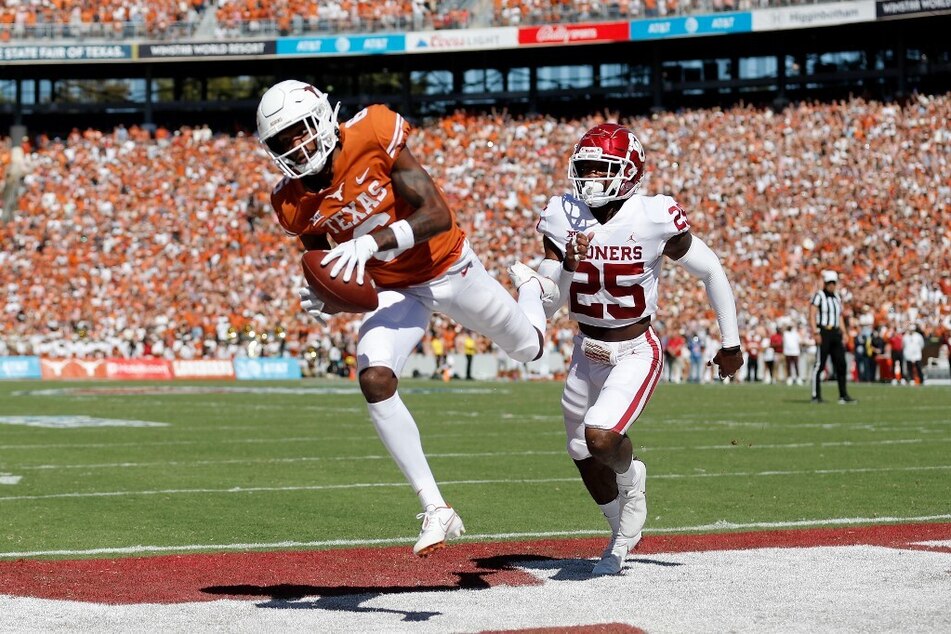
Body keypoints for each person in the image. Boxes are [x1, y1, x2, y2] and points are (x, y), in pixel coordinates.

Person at [256, 80, 553, 557]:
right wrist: (329, 298)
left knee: (529, 348)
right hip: (395, 291)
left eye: (299, 130)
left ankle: (533, 292)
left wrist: (373, 242)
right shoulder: (291, 202)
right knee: (374, 378)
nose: (296, 145)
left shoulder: (372, 131)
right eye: (282, 141)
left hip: (449, 267)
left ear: (324, 119)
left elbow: (436, 214)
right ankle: (436, 506)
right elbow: (327, 267)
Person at [508, 123, 743, 576]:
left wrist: (730, 341)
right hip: (585, 348)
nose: (591, 179)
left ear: (629, 172)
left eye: (602, 168)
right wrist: (557, 273)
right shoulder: (562, 214)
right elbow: (554, 300)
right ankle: (618, 535)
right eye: (586, 168)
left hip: (634, 348)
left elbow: (711, 270)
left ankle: (632, 477)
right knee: (580, 450)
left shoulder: (653, 216)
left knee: (601, 437)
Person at [809, 270, 856, 404]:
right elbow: (812, 314)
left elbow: (839, 316)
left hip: (835, 333)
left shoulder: (836, 297)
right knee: (820, 364)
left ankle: (843, 395)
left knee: (841, 364)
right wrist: (815, 332)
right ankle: (815, 395)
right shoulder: (819, 296)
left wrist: (844, 332)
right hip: (823, 331)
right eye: (829, 283)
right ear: (825, 283)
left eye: (833, 283)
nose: (831, 286)